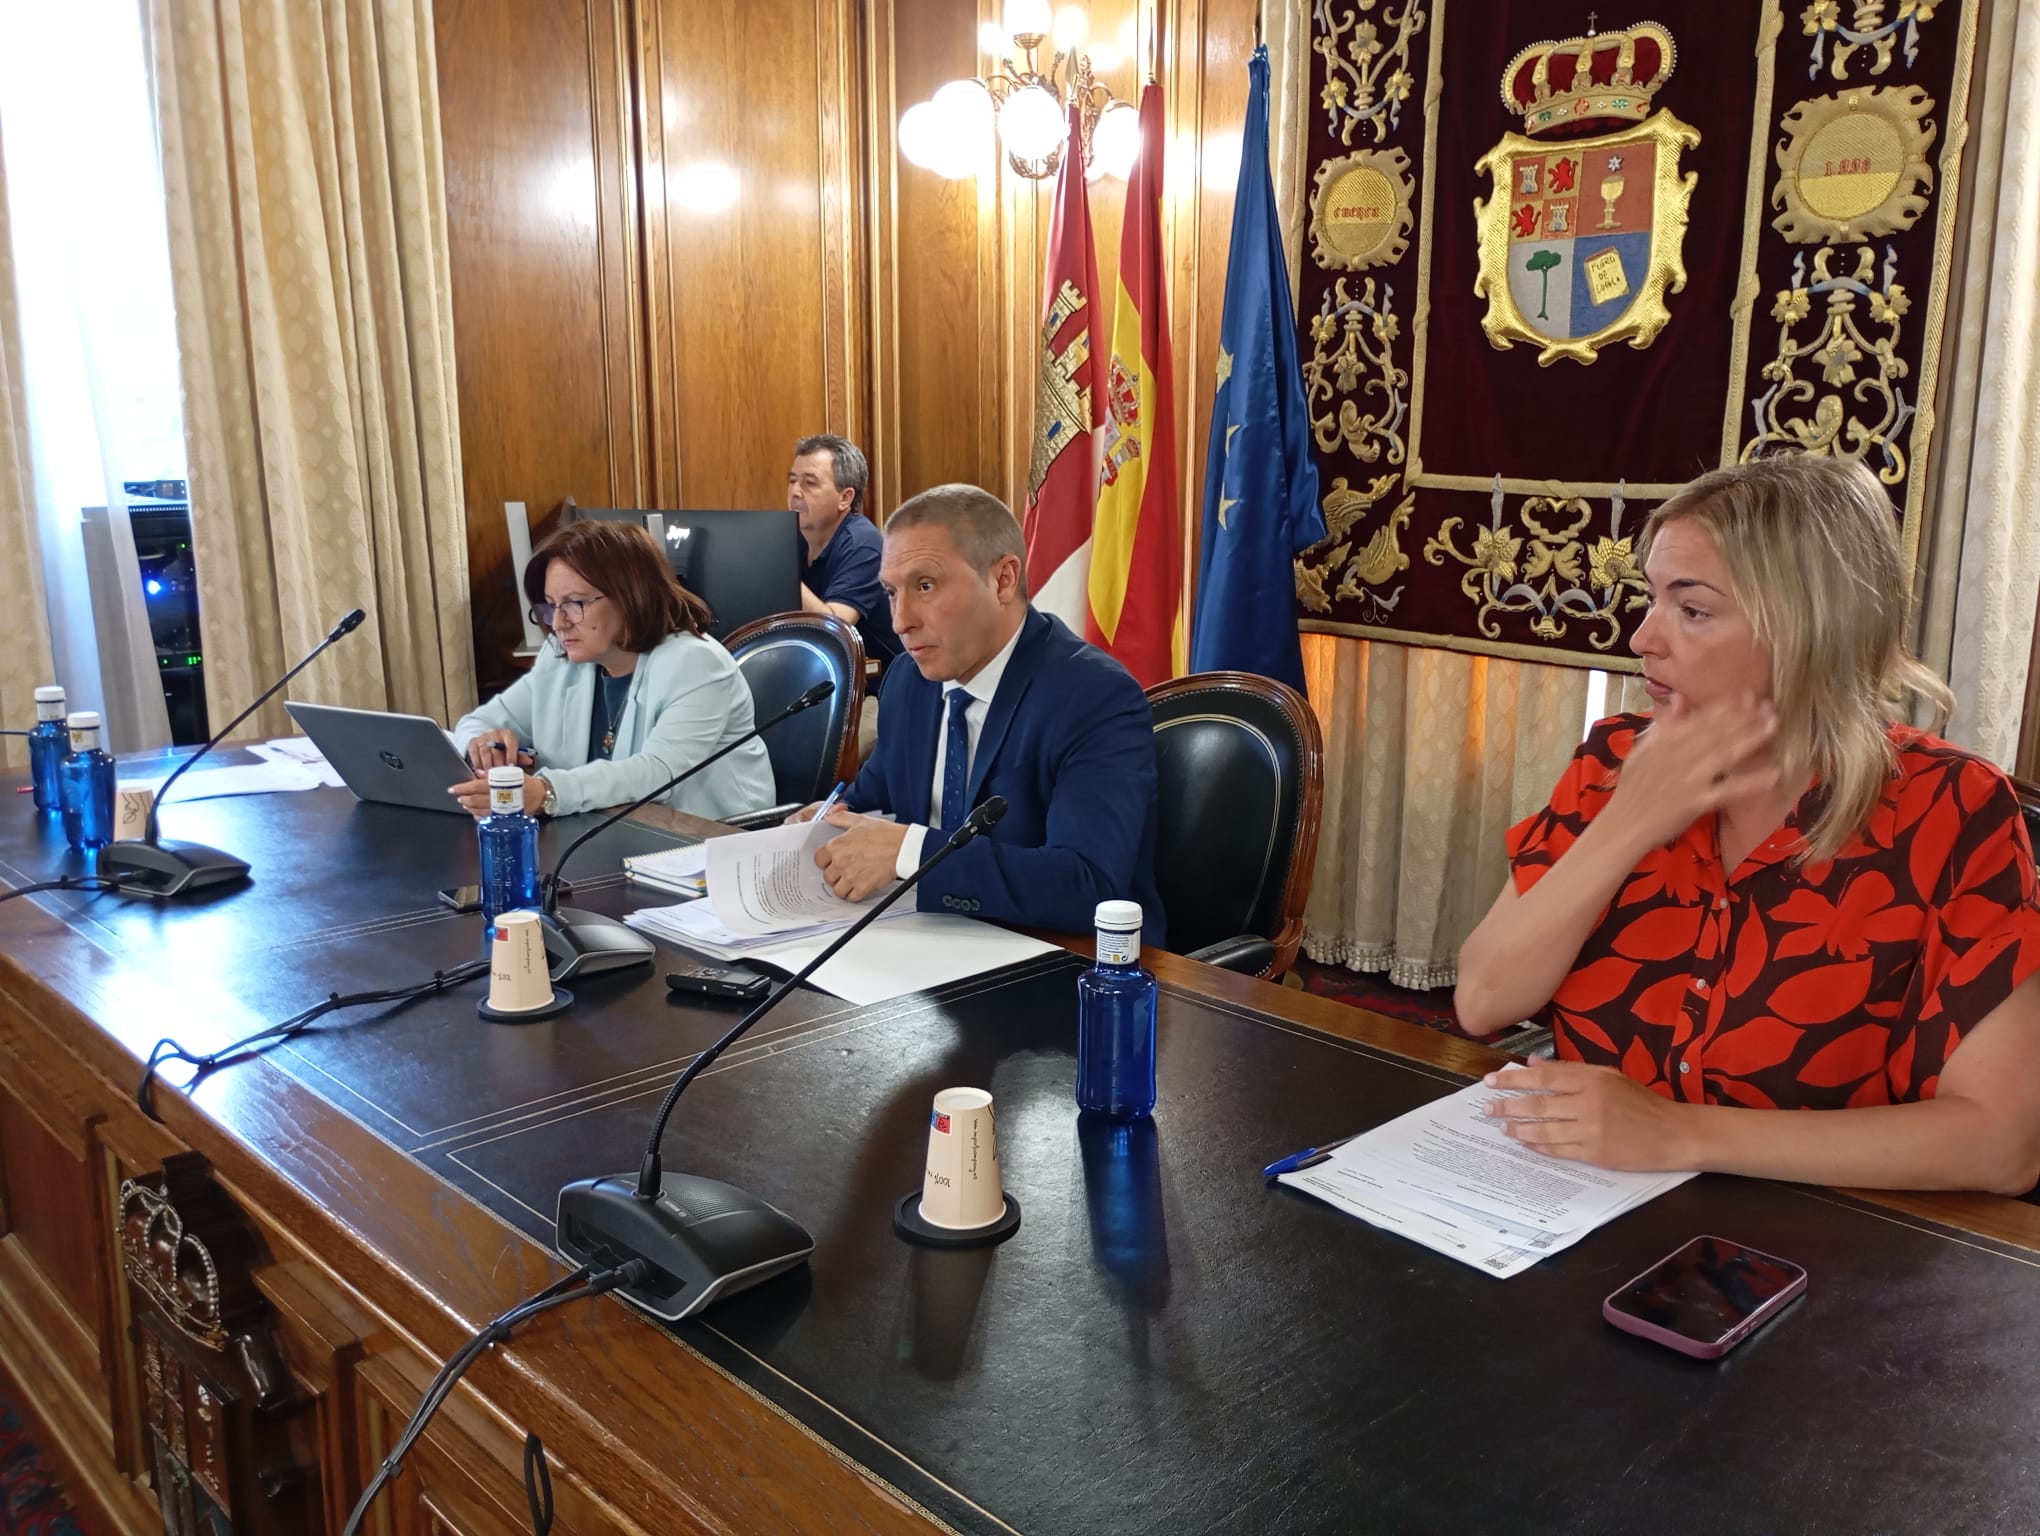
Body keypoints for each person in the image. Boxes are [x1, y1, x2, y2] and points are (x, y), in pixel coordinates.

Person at [1455, 453, 2040, 1195]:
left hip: (1821, 1232)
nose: (1643, 638)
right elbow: (1483, 1001)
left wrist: (1677, 1132)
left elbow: (2002, 1144)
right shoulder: (1616, 760)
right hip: (1579, 1206)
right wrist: (1629, 820)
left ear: (1810, 630)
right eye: (1652, 599)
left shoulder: (1955, 808)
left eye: (1693, 610)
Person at [794, 482, 1165, 940]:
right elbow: (874, 798)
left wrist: (911, 852)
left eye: (925, 586)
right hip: (923, 940)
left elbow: (1088, 885)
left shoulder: (1094, 696)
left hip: (1062, 959)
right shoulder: (909, 681)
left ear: (1003, 580)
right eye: (890, 592)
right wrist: (827, 822)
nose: (901, 621)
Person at [449, 519, 774, 821]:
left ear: (630, 596)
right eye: (551, 606)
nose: (559, 623)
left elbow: (657, 772)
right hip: (602, 834)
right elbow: (476, 723)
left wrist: (546, 792)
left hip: (707, 839)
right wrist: (484, 749)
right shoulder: (560, 658)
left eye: (574, 603)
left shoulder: (697, 664)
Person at [790, 434, 902, 676]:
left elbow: (834, 629)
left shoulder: (864, 545)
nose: (795, 492)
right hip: (821, 674)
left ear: (845, 498)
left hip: (879, 685)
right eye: (792, 481)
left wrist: (780, 574)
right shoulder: (793, 536)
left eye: (809, 483)